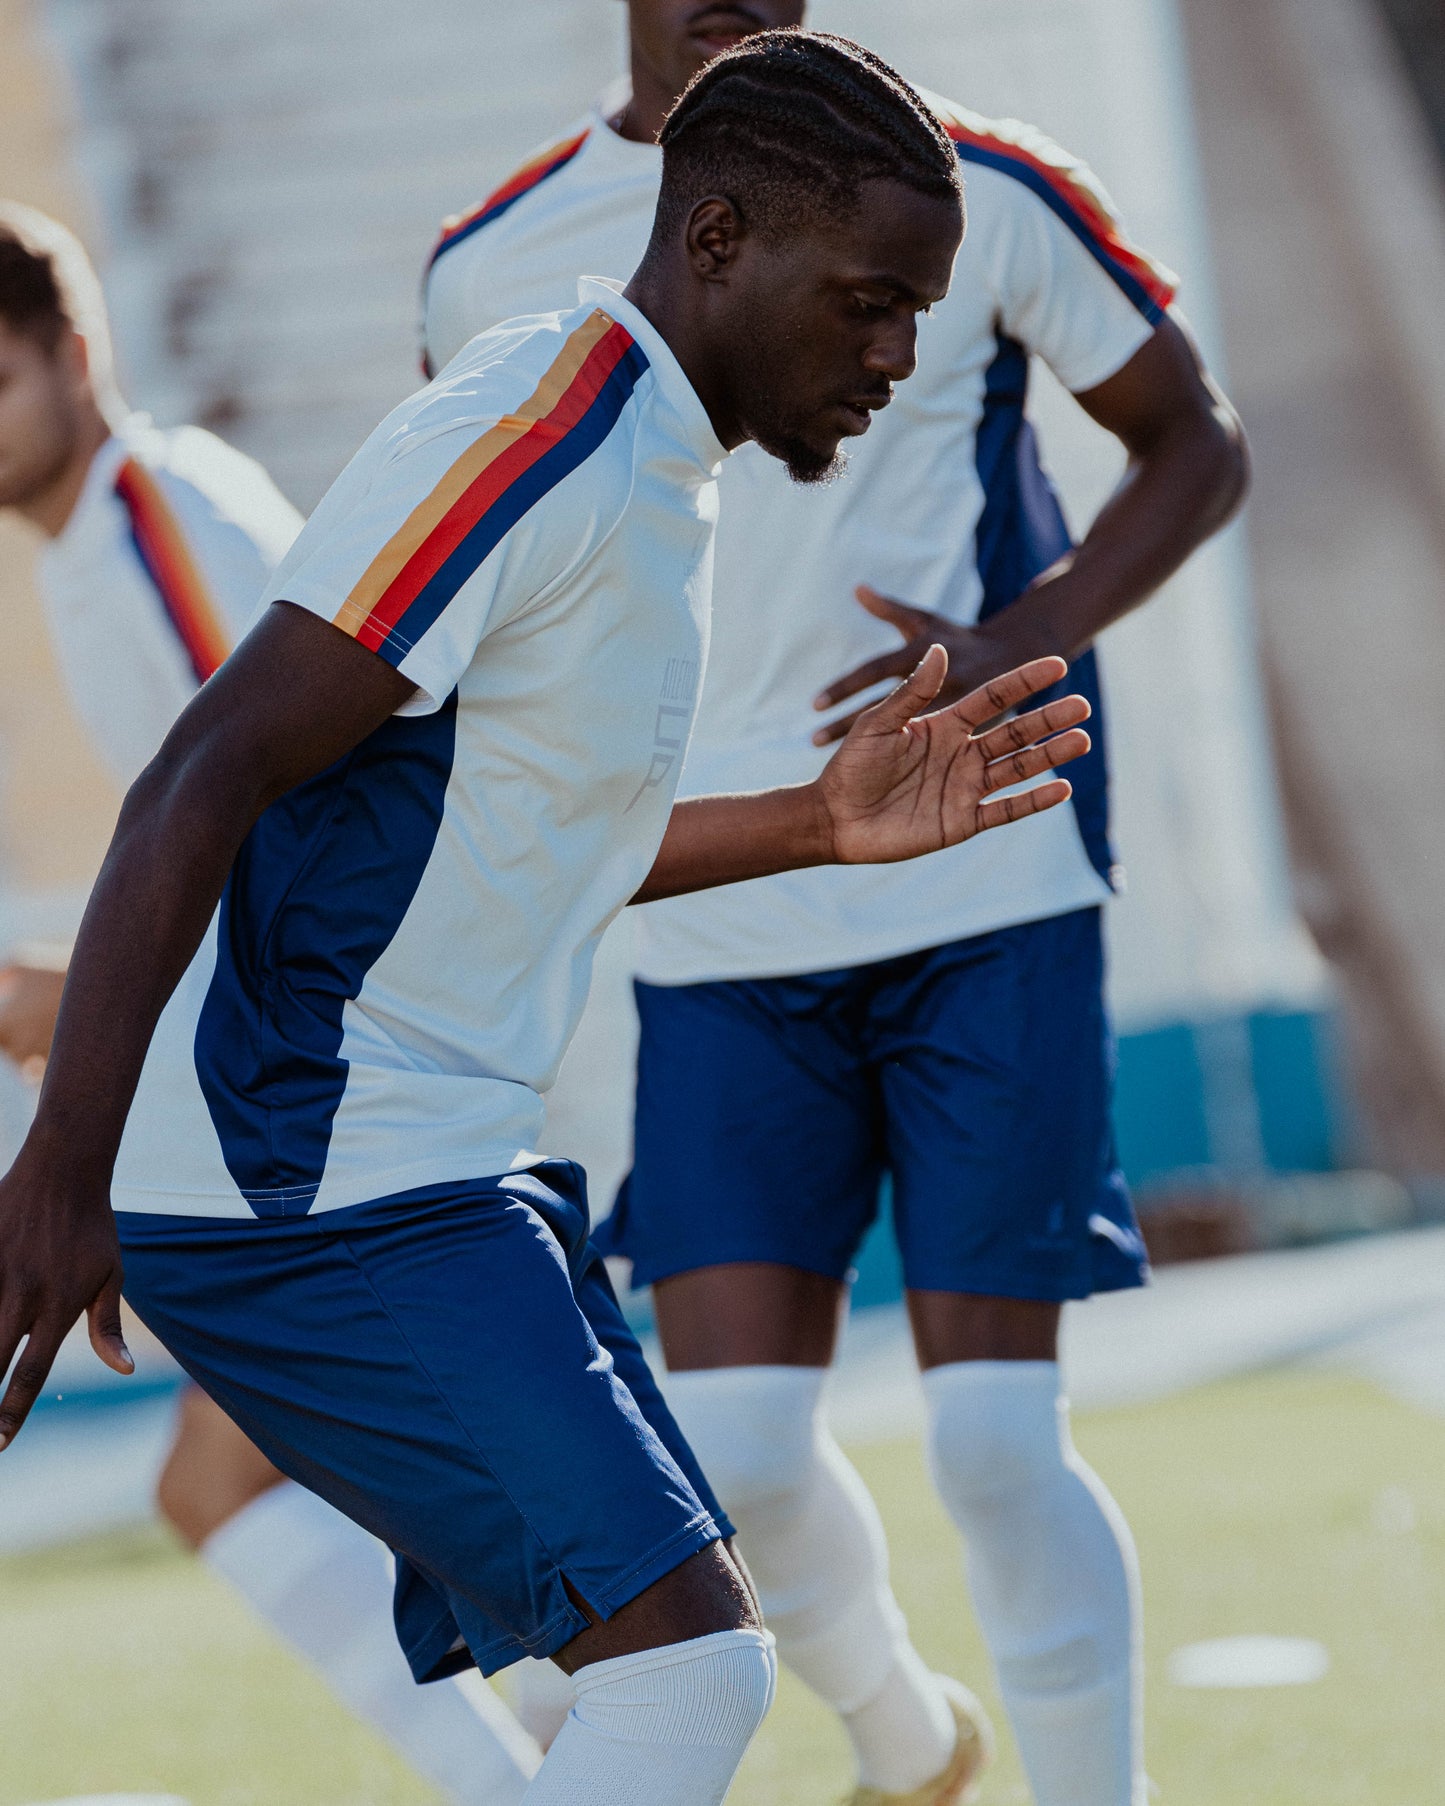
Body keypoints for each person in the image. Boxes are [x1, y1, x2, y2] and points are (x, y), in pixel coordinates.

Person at [0, 35, 1098, 1806]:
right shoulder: (539, 433)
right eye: (873, 302)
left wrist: (817, 824)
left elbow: (521, 834)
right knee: (683, 1674)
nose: (900, 355)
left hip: (413, 1156)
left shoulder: (650, 455)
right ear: (723, 236)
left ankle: (903, 1746)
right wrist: (61, 1166)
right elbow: (206, 767)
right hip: (313, 1181)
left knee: (682, 1637)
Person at [423, 7, 1250, 1804]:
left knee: (997, 1442)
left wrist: (1012, 639)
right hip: (721, 929)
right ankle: (906, 1733)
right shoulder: (488, 263)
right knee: (739, 1455)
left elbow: (1196, 441)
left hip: (986, 891)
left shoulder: (987, 189)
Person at [0, 202, 543, 1804]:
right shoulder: (101, 534)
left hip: (325, 1078)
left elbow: (268, 795)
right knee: (278, 1484)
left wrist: (87, 1007)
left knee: (284, 1481)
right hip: (310, 1067)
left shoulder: (148, 517)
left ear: (70, 352)